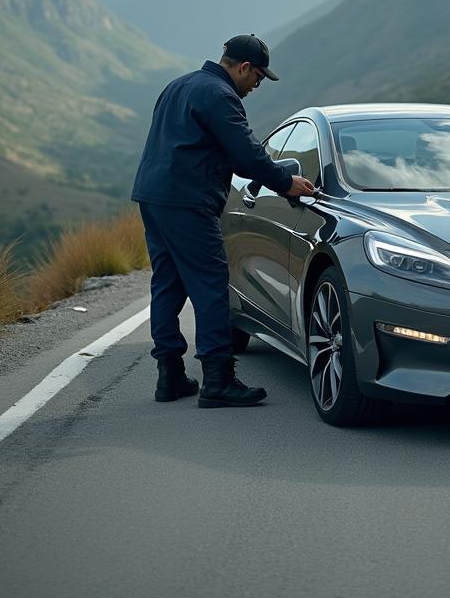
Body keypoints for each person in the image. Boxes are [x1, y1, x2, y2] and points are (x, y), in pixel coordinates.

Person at [131, 34, 316, 408]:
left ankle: (169, 375)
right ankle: (218, 379)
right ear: (244, 68)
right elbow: (245, 154)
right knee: (212, 281)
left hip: (154, 196)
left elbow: (207, 148)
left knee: (167, 282)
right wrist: (286, 183)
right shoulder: (220, 95)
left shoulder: (178, 85)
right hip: (188, 201)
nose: (255, 87)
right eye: (257, 79)